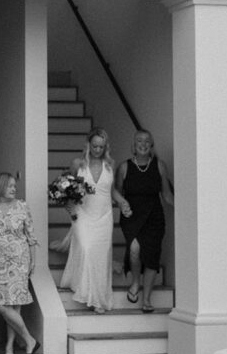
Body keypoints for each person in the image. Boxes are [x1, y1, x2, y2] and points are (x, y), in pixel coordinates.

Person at [61, 128, 127, 314]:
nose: (97, 149)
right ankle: (86, 292)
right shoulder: (78, 163)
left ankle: (97, 298)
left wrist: (122, 201)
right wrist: (68, 203)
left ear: (105, 147)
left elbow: (111, 190)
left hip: (104, 215)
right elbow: (67, 186)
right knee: (87, 249)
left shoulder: (110, 165)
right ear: (88, 144)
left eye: (101, 146)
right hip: (83, 213)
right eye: (94, 145)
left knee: (100, 256)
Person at [0, 173, 41, 354]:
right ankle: (29, 339)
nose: (14, 188)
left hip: (18, 260)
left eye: (15, 186)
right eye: (10, 185)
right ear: (0, 186)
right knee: (1, 305)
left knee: (14, 305)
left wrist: (33, 261)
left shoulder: (22, 206)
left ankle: (9, 347)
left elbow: (31, 236)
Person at [115, 130, 174, 313]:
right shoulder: (124, 167)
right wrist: (122, 203)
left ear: (151, 145)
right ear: (134, 145)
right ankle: (135, 282)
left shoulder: (160, 166)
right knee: (134, 249)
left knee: (152, 255)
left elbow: (166, 194)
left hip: (154, 216)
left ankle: (147, 299)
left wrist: (186, 209)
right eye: (139, 140)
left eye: (147, 141)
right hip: (131, 216)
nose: (143, 143)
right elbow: (115, 191)